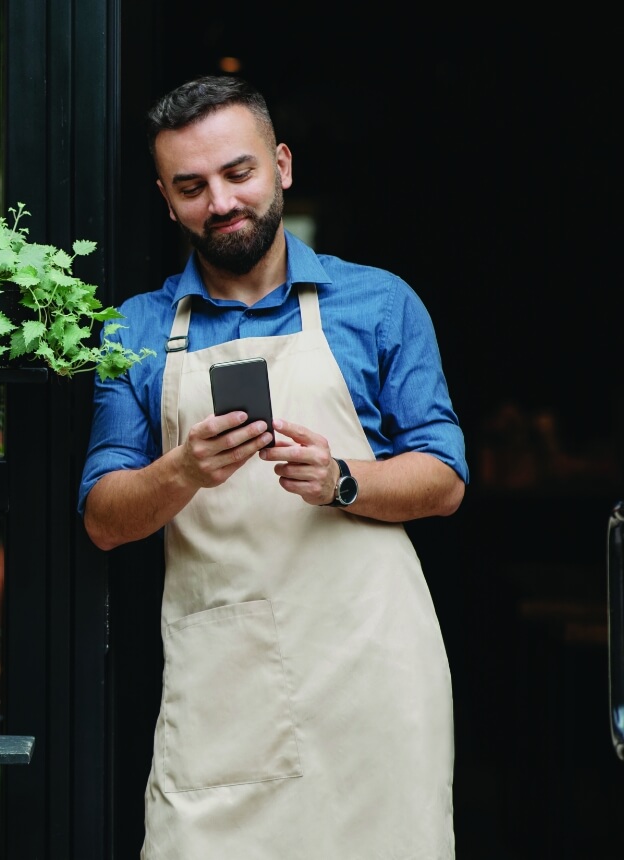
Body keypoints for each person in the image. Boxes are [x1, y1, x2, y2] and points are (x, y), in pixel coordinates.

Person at [79, 75, 467, 858]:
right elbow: (102, 519)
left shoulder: (380, 304)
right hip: (227, 683)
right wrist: (181, 471)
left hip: (373, 678)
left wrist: (342, 479)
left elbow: (445, 478)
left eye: (238, 173)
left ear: (281, 166)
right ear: (166, 198)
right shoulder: (138, 330)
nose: (220, 201)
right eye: (191, 186)